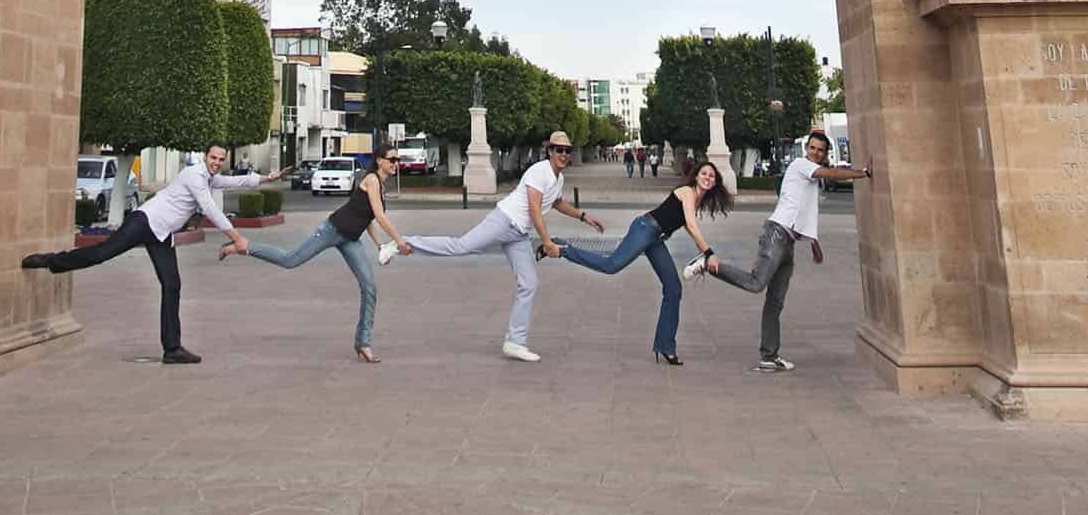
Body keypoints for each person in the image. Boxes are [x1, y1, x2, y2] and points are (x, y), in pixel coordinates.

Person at [18, 142, 263, 363]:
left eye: (221, 159)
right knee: (101, 253)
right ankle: (51, 261)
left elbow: (235, 181)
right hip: (144, 222)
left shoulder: (209, 178)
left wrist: (268, 177)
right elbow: (212, 210)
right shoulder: (194, 175)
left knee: (172, 285)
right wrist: (238, 238)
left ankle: (172, 349)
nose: (217, 163)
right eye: (214, 158)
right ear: (204, 156)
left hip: (161, 234)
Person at [400, 127, 601, 362]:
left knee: (529, 283)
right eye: (559, 150)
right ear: (549, 152)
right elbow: (535, 208)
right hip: (504, 220)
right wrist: (546, 242)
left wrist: (582, 215)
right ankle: (404, 243)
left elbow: (556, 202)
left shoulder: (558, 178)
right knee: (461, 246)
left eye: (567, 150)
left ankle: (515, 342)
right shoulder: (540, 171)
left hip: (518, 233)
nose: (564, 154)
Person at [689, 129, 868, 370]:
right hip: (776, 235)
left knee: (775, 302)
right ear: (807, 150)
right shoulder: (800, 165)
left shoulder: (811, 179)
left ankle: (769, 357)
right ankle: (708, 265)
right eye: (812, 148)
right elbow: (832, 173)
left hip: (788, 242)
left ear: (825, 154)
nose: (815, 152)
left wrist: (814, 243)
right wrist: (863, 173)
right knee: (756, 283)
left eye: (820, 150)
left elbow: (804, 210)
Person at [233, 151, 411, 362]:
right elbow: (380, 216)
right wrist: (399, 241)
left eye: (397, 160)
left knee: (369, 288)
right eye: (392, 160)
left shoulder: (381, 185)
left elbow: (369, 218)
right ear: (380, 161)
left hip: (350, 239)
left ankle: (363, 343)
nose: (396, 163)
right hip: (331, 230)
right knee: (290, 260)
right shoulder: (372, 180)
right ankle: (244, 246)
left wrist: (380, 245)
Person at [560, 152, 730, 364]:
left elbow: (687, 226)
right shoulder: (687, 192)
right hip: (645, 229)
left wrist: (702, 252)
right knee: (611, 265)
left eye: (711, 176)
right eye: (704, 173)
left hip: (656, 239)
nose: (707, 177)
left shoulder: (695, 200)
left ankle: (665, 345)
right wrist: (709, 253)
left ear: (715, 183)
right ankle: (563, 248)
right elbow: (693, 226)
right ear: (696, 176)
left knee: (673, 288)